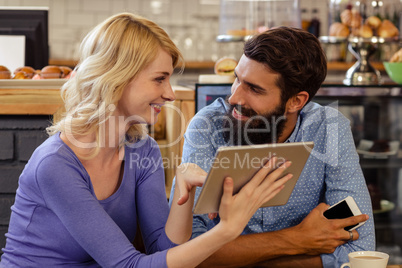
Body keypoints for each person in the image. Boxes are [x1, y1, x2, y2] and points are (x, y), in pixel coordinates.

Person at [0, 13, 293, 268]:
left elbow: (163, 252)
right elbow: (130, 265)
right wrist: (227, 230)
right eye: (159, 79)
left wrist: (183, 192)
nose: (170, 94)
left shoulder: (143, 150)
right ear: (116, 78)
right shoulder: (55, 165)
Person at [169, 27, 375, 268]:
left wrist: (238, 257)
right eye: (237, 78)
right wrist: (298, 239)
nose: (235, 97)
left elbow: (360, 251)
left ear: (296, 101)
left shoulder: (329, 128)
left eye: (254, 89)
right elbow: (183, 251)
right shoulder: (206, 126)